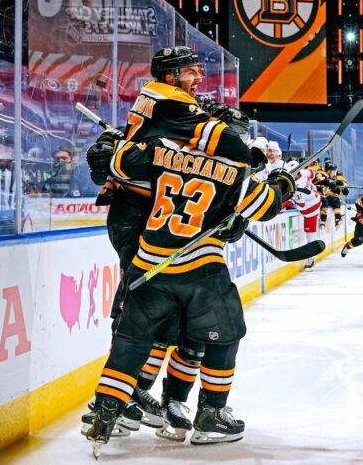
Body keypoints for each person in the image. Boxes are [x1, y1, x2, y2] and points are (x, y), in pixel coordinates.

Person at [84, 46, 260, 434]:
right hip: (138, 213)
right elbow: (226, 149)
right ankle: (120, 397)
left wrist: (231, 218)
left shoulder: (165, 103)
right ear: (170, 74)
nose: (198, 79)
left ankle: (142, 396)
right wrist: (247, 154)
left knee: (163, 310)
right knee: (141, 305)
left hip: (147, 210)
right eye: (191, 72)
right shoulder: (169, 100)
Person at [84, 132, 295, 452]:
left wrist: (113, 146)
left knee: (136, 336)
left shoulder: (164, 155)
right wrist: (282, 183)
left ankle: (110, 407)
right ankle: (209, 412)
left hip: (149, 261)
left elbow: (114, 163)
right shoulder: (232, 169)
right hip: (197, 268)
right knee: (220, 332)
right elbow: (266, 205)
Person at [282, 159, 322, 270]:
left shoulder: (298, 188)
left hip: (311, 209)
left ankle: (311, 258)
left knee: (310, 234)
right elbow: (313, 174)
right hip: (315, 201)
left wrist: (289, 201)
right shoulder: (304, 172)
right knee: (311, 232)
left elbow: (302, 205)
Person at [315, 162, 348, 229]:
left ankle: (338, 219)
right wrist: (329, 182)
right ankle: (323, 220)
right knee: (324, 201)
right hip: (320, 196)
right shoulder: (321, 173)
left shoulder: (336, 179)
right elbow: (319, 180)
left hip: (329, 197)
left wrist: (342, 186)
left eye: (334, 171)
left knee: (336, 200)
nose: (334, 173)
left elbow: (346, 192)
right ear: (328, 171)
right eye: (333, 171)